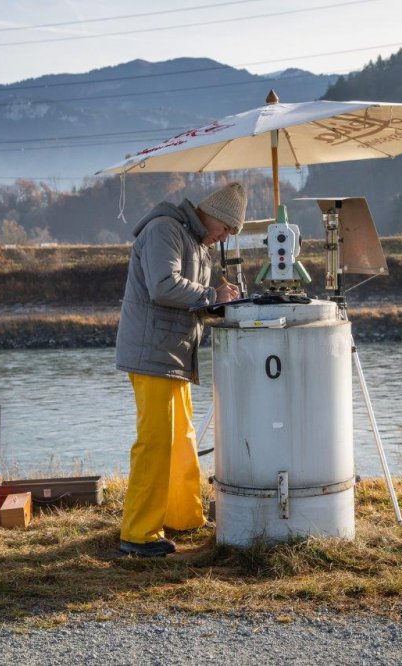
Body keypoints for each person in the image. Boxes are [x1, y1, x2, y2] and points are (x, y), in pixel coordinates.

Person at [114, 181, 246, 557]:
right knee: (154, 443)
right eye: (226, 228)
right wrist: (211, 297)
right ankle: (138, 534)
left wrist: (219, 305)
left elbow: (188, 302)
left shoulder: (197, 244)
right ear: (214, 216)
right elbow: (163, 286)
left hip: (173, 355)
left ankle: (185, 516)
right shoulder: (165, 230)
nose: (224, 237)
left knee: (181, 439)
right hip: (152, 352)